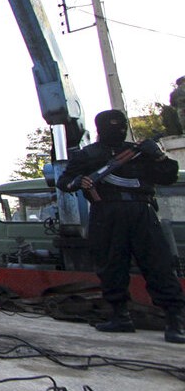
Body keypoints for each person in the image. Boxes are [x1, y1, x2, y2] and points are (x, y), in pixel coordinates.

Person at [57, 109, 185, 344]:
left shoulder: (140, 152)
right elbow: (64, 181)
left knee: (158, 264)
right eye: (113, 125)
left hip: (141, 210)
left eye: (122, 125)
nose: (119, 129)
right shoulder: (88, 155)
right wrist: (79, 181)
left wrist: (158, 157)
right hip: (106, 212)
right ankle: (119, 315)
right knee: (111, 265)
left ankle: (175, 319)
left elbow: (168, 176)